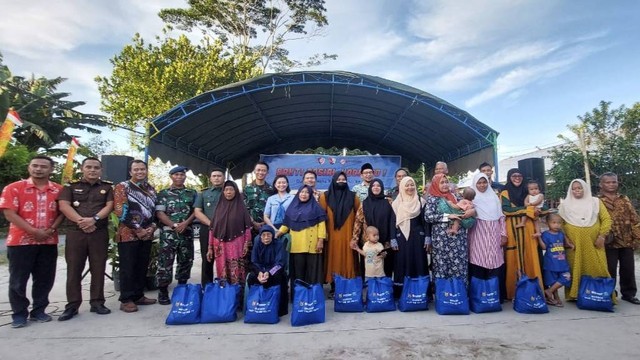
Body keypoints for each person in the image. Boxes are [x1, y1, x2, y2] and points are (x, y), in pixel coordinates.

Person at [0, 156, 64, 328]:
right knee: (18, 280)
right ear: (29, 168)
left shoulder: (59, 190)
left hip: (48, 242)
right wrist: (34, 231)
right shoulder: (13, 188)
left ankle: (39, 310)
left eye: (43, 166)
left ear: (51, 170)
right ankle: (19, 314)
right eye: (35, 166)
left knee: (44, 278)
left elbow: (62, 213)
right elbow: (9, 213)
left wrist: (51, 230)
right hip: (20, 242)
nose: (38, 169)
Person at [57, 157, 114, 321]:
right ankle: (72, 305)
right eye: (88, 167)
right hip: (76, 232)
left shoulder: (107, 187)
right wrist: (81, 221)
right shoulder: (71, 186)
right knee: (74, 269)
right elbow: (64, 206)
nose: (92, 170)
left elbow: (109, 206)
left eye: (96, 167)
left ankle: (97, 302)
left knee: (98, 267)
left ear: (101, 170)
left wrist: (93, 219)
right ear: (82, 168)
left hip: (98, 231)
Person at [113, 160, 158, 313]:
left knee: (141, 266)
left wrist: (151, 228)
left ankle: (138, 295)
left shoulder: (150, 188)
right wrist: (138, 229)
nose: (140, 172)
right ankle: (126, 299)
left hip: (147, 235)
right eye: (136, 169)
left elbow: (153, 211)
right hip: (128, 235)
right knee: (128, 267)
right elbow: (120, 211)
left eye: (142, 169)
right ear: (130, 172)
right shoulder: (122, 187)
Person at [558, 179, 612, 301]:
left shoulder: (595, 202)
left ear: (585, 188)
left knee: (599, 267)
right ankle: (575, 295)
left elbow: (607, 219)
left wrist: (602, 236)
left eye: (579, 188)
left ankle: (599, 295)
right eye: (574, 188)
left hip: (594, 243)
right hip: (574, 245)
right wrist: (566, 240)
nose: (577, 190)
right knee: (575, 268)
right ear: (570, 190)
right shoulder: (564, 205)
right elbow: (560, 224)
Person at [500, 168, 546, 300]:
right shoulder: (505, 192)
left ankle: (534, 289)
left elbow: (544, 207)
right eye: (514, 176)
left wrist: (537, 210)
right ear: (509, 177)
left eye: (520, 175)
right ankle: (513, 292)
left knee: (530, 255)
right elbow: (506, 209)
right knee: (513, 255)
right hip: (512, 227)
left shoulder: (529, 191)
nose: (517, 178)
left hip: (528, 227)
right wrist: (528, 209)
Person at [275, 185, 327, 298]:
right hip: (296, 246)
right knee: (298, 272)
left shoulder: (316, 207)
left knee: (313, 273)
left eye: (306, 192)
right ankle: (298, 297)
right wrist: (277, 234)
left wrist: (320, 240)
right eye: (302, 192)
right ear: (298, 193)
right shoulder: (292, 207)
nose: (304, 194)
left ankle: (313, 296)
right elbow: (286, 224)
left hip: (312, 245)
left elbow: (321, 225)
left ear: (310, 194)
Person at [155, 166, 197, 305]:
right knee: (165, 263)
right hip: (169, 234)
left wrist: (185, 223)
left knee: (185, 261)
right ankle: (163, 291)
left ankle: (181, 289)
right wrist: (174, 225)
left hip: (186, 233)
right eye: (176, 174)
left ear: (185, 177)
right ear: (171, 176)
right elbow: (160, 213)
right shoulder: (163, 193)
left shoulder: (192, 193)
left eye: (182, 175)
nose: (179, 177)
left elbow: (195, 211)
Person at [425, 174, 475, 286]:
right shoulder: (433, 199)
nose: (445, 185)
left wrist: (471, 212)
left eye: (446, 182)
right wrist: (448, 216)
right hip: (441, 240)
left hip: (458, 240)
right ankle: (444, 298)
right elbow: (428, 217)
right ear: (435, 185)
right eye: (441, 182)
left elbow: (466, 208)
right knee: (442, 267)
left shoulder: (455, 196)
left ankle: (460, 296)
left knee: (459, 267)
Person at [599, 172, 640, 304]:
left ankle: (629, 294)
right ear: (601, 184)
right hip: (608, 242)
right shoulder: (597, 201)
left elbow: (634, 219)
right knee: (609, 270)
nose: (611, 184)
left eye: (614, 182)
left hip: (626, 240)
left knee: (628, 269)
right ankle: (610, 294)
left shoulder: (624, 199)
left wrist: (637, 238)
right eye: (608, 182)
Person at [467, 173, 506, 300]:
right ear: (475, 184)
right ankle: (478, 297)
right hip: (477, 234)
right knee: (478, 262)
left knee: (495, 263)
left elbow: (501, 217)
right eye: (479, 183)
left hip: (494, 233)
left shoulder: (494, 198)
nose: (482, 185)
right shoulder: (472, 199)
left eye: (484, 182)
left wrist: (503, 234)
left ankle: (495, 296)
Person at [207, 181, 253, 288]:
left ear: (235, 191)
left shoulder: (241, 208)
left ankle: (237, 293)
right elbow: (212, 229)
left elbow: (247, 227)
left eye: (231, 190)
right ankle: (224, 294)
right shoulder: (218, 208)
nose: (228, 192)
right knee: (221, 268)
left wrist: (246, 243)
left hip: (237, 243)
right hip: (220, 245)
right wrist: (210, 247)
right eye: (226, 190)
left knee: (236, 269)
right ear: (223, 192)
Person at [320, 172, 360, 293]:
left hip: (348, 236)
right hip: (331, 237)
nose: (341, 181)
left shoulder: (353, 197)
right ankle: (334, 287)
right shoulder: (325, 197)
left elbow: (359, 217)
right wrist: (322, 236)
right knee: (333, 259)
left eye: (343, 179)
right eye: (339, 179)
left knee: (348, 261)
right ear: (333, 180)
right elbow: (321, 217)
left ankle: (348, 286)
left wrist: (356, 236)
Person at [390, 177, 428, 297]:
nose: (410, 187)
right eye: (407, 185)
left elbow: (425, 221)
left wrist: (428, 236)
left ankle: (421, 293)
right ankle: (402, 294)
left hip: (418, 238)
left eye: (412, 185)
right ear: (402, 187)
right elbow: (392, 222)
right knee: (402, 263)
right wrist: (393, 239)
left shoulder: (420, 201)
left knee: (419, 263)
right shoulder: (397, 203)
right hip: (401, 238)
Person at [352, 178, 396, 277]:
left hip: (386, 242)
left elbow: (393, 220)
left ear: (382, 187)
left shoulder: (388, 202)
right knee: (370, 267)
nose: (376, 188)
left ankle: (384, 290)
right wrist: (354, 238)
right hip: (368, 242)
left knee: (385, 268)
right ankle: (370, 289)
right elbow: (358, 222)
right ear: (370, 188)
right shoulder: (364, 203)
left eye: (378, 186)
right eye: (373, 186)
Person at [193, 168, 225, 286]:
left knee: (225, 257)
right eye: (214, 176)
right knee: (207, 258)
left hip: (226, 230)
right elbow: (197, 212)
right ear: (210, 178)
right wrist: (211, 224)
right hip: (207, 229)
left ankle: (224, 285)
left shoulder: (229, 191)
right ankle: (206, 286)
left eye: (219, 176)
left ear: (224, 178)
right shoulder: (203, 193)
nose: (217, 178)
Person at [248, 225, 288, 316]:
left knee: (279, 277)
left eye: (268, 235)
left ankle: (277, 309)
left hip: (274, 271)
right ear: (260, 237)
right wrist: (259, 272)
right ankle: (255, 305)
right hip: (261, 271)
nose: (266, 237)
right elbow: (254, 261)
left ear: (273, 236)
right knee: (252, 277)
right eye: (264, 235)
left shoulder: (278, 244)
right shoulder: (257, 244)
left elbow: (280, 263)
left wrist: (269, 272)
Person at [538, 213, 573, 307]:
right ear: (547, 223)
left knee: (566, 277)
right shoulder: (545, 234)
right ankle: (556, 298)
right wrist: (539, 238)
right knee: (553, 281)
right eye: (553, 223)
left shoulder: (561, 234)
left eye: (559, 223)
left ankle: (549, 291)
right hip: (550, 263)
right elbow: (544, 247)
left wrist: (570, 245)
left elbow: (566, 243)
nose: (556, 225)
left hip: (562, 263)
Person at [244, 161, 275, 234]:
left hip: (267, 226)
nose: (261, 172)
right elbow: (244, 208)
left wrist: (265, 222)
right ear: (254, 171)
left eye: (263, 170)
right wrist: (253, 222)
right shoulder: (247, 188)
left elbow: (274, 208)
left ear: (267, 173)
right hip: (250, 226)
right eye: (258, 170)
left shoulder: (272, 189)